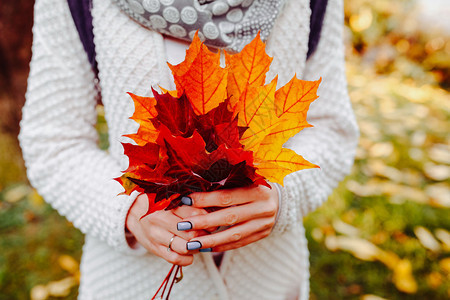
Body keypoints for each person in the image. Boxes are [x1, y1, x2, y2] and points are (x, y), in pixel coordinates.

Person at [19, 0, 358, 299]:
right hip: (132, 282)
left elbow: (333, 128)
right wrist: (128, 212)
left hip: (269, 278)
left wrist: (286, 198)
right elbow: (53, 141)